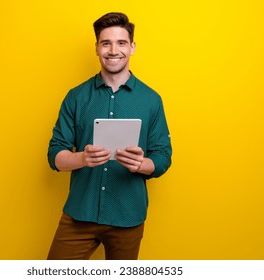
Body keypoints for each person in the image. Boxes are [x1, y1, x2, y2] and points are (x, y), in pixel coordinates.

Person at [47, 12, 172, 260]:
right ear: (96, 48)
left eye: (121, 43)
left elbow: (163, 157)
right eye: (106, 43)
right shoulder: (76, 97)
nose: (113, 50)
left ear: (132, 47)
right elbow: (55, 156)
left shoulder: (151, 100)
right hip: (80, 212)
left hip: (128, 216)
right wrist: (82, 158)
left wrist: (142, 164)